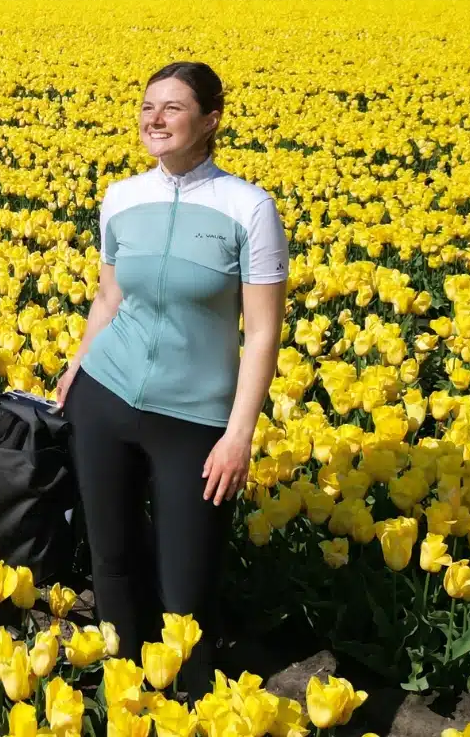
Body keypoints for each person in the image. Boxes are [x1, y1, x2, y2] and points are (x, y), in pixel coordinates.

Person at [53, 61, 288, 698]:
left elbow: (262, 333)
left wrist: (238, 436)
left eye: (173, 108)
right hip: (105, 396)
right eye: (147, 106)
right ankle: (124, 694)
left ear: (210, 121)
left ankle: (189, 704)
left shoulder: (248, 208)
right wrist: (77, 366)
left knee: (187, 586)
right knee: (112, 562)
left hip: (195, 420)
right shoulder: (122, 197)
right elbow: (109, 297)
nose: (154, 119)